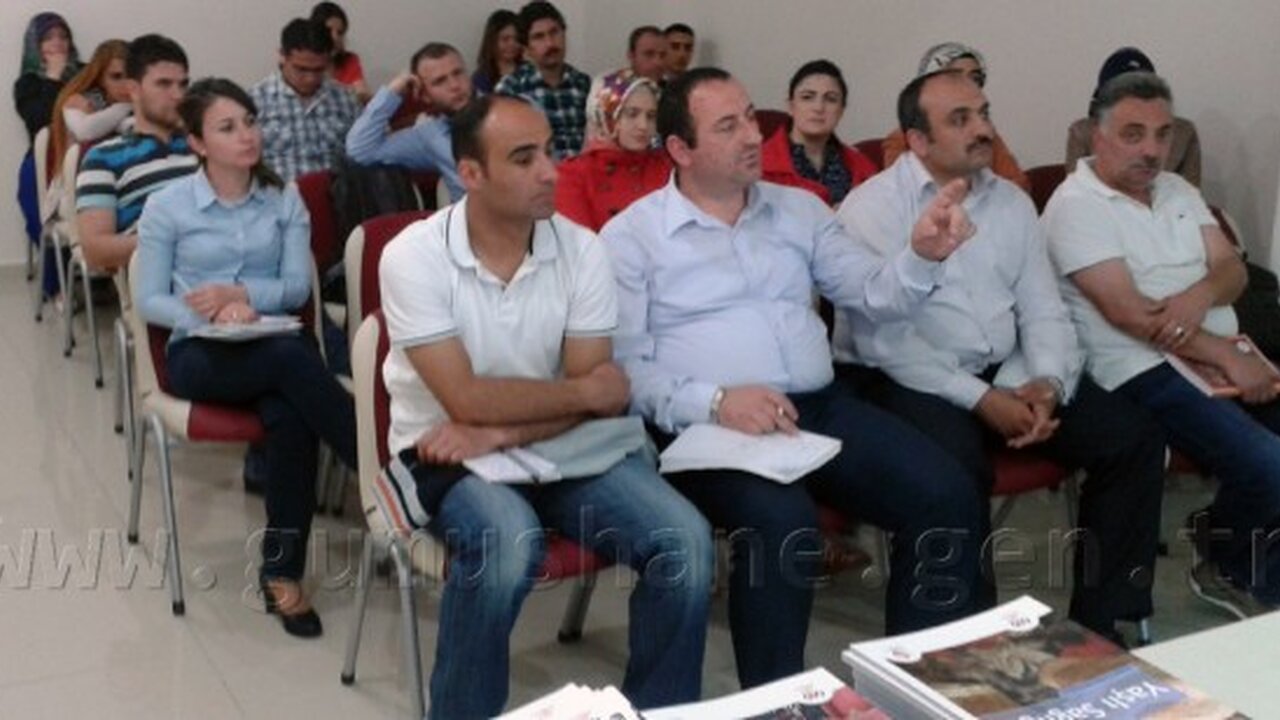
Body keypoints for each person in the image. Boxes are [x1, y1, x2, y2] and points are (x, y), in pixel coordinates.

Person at [603, 67, 987, 689]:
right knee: (783, 524)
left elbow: (873, 293)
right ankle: (777, 699)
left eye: (751, 117)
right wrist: (717, 401)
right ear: (680, 148)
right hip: (706, 428)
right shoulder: (632, 237)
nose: (753, 136)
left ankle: (915, 690)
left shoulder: (799, 210)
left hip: (815, 406)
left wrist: (921, 255)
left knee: (946, 493)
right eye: (727, 126)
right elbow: (626, 370)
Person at [378, 93, 712, 716]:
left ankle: (657, 712)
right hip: (446, 450)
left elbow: (596, 398)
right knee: (508, 542)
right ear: (470, 174)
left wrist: (500, 431)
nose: (550, 172)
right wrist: (579, 395)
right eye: (523, 158)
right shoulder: (413, 255)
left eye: (550, 152)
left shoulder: (582, 249)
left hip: (557, 446)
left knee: (685, 542)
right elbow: (470, 398)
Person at [835, 69, 1166, 643]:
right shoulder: (871, 208)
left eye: (983, 113)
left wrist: (1046, 383)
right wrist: (983, 399)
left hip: (1004, 367)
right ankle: (962, 645)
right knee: (952, 477)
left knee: (1132, 439)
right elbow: (884, 341)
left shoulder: (1011, 202)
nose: (983, 129)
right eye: (960, 119)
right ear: (917, 140)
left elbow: (1043, 308)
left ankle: (1103, 624)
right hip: (904, 376)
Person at [1044, 70, 1280, 620]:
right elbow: (1129, 313)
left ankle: (1244, 553)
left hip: (1219, 348)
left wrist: (1198, 298)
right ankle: (1227, 562)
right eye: (1133, 134)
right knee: (1269, 463)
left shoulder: (1177, 189)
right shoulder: (1076, 204)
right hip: (1140, 367)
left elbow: (1232, 270)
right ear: (1097, 135)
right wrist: (1225, 356)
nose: (1151, 150)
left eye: (1163, 134)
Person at [135, 77, 356, 638]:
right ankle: (380, 468)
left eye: (251, 122)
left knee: (290, 416)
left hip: (275, 339)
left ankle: (281, 575)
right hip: (201, 355)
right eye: (228, 127)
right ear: (198, 143)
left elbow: (295, 288)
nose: (247, 135)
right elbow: (149, 298)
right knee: (292, 365)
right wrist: (210, 315)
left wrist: (242, 297)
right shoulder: (168, 206)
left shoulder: (283, 200)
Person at [76, 34, 198, 273]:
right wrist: (177, 242)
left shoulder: (204, 145)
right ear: (133, 90)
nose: (178, 95)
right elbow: (95, 251)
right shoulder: (103, 158)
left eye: (183, 84)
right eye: (164, 84)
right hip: (166, 277)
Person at [881, 42, 1030, 193]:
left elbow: (1017, 186)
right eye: (954, 77)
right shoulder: (902, 140)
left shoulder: (985, 133)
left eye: (975, 78)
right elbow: (900, 192)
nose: (966, 84)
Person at [345, 42, 472, 201]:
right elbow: (359, 150)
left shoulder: (500, 112)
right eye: (440, 81)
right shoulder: (430, 134)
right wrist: (393, 91)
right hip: (470, 215)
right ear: (424, 96)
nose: (455, 86)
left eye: (458, 73)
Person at [1064, 47, 1200, 186]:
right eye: (1131, 135)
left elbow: (1192, 190)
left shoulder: (1184, 132)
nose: (1151, 151)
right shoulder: (1082, 132)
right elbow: (1077, 187)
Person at [13, 12, 81, 283]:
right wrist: (53, 77)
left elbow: (101, 103)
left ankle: (94, 274)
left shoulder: (85, 73)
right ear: (35, 45)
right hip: (43, 161)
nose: (57, 43)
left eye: (63, 36)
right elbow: (39, 119)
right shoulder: (27, 83)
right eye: (48, 38)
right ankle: (57, 284)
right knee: (34, 202)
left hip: (83, 155)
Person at [249, 17, 360, 182]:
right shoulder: (255, 101)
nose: (310, 79)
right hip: (279, 194)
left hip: (336, 193)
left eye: (319, 70)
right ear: (282, 56)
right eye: (301, 69)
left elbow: (361, 154)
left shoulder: (345, 99)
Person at [555, 72, 669, 231]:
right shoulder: (573, 174)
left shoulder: (667, 166)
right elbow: (578, 241)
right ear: (605, 114)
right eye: (632, 114)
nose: (643, 125)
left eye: (651, 116)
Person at [761, 59, 877, 206]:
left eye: (831, 99)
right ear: (790, 106)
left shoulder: (864, 168)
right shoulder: (759, 166)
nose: (818, 107)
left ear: (841, 110)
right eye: (807, 97)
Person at [495, 1, 592, 159]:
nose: (550, 43)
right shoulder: (511, 89)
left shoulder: (584, 84)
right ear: (526, 48)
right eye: (538, 37)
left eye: (554, 32)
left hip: (584, 171)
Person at [584, 26, 666, 143]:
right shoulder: (608, 87)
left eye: (662, 55)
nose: (658, 62)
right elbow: (597, 138)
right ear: (631, 56)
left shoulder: (673, 92)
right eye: (649, 54)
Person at [311, 1, 371, 103]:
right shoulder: (305, 61)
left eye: (340, 33)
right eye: (328, 31)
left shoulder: (350, 60)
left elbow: (362, 94)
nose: (335, 38)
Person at [472, 9, 522, 95]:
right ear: (492, 41)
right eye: (505, 39)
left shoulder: (529, 71)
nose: (512, 44)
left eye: (517, 39)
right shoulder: (482, 79)